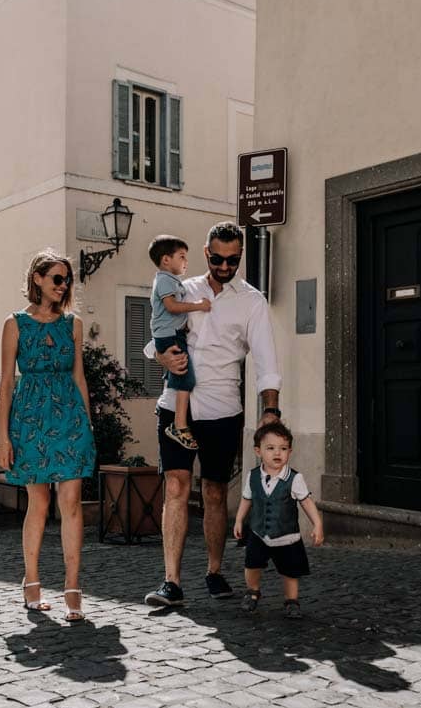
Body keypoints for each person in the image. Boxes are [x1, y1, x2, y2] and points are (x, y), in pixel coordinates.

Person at [144, 221, 282, 607]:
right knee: (175, 486)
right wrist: (159, 355)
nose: (225, 266)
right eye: (218, 258)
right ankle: (171, 581)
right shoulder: (180, 288)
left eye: (233, 260)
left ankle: (215, 571)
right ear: (206, 253)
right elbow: (153, 338)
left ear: (240, 256)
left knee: (216, 491)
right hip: (176, 404)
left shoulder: (252, 301)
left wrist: (270, 409)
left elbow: (267, 360)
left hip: (223, 408)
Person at [0, 249, 95, 623]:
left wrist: (87, 424)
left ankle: (73, 587)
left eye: (66, 279)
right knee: (37, 503)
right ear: (37, 279)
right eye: (56, 278)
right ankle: (32, 581)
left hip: (69, 418)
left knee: (70, 502)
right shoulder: (15, 323)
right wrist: (3, 438)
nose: (63, 285)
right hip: (30, 419)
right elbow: (6, 384)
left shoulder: (73, 324)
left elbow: (79, 376)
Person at [233, 421, 324, 618]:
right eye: (271, 448)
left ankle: (291, 601)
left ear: (289, 452)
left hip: (287, 537)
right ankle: (253, 592)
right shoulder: (253, 476)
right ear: (258, 451)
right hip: (258, 533)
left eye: (283, 449)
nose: (277, 453)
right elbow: (246, 499)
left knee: (290, 571)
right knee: (252, 564)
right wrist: (239, 520)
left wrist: (317, 524)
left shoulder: (294, 478)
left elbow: (306, 502)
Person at [148, 235, 212, 450]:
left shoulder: (170, 281)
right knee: (186, 380)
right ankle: (179, 425)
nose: (186, 261)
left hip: (171, 334)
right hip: (170, 336)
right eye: (182, 256)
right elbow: (172, 306)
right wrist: (198, 306)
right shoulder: (165, 279)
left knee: (179, 376)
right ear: (166, 260)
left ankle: (178, 422)